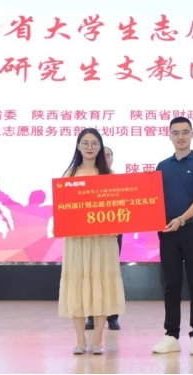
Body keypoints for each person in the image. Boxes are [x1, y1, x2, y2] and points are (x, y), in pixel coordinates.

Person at [58, 129, 126, 355]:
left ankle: (97, 341)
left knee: (102, 286)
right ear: (78, 146)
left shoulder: (109, 174)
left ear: (100, 147)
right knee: (77, 287)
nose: (89, 147)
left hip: (103, 240)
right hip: (77, 241)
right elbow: (63, 207)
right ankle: (80, 340)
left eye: (94, 143)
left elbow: (119, 207)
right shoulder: (69, 174)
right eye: (85, 143)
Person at [152, 117, 193, 356]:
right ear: (169, 136)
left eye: (185, 132)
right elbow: (152, 199)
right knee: (171, 284)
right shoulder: (161, 166)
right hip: (168, 231)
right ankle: (171, 335)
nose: (180, 137)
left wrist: (181, 219)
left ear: (192, 135)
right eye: (176, 132)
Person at [86, 145, 123, 331]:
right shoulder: (87, 179)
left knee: (110, 274)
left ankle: (112, 317)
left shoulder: (118, 180)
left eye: (109, 155)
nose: (106, 158)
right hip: (91, 234)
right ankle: (91, 316)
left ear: (112, 159)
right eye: (103, 155)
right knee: (91, 273)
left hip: (113, 233)